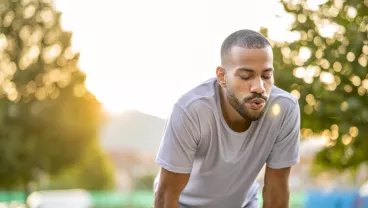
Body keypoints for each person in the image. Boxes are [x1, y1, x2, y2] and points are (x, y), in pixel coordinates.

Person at [153, 29, 301, 208]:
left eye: (266, 76)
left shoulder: (285, 109)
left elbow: (276, 193)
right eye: (246, 76)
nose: (259, 87)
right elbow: (166, 196)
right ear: (222, 77)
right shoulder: (191, 110)